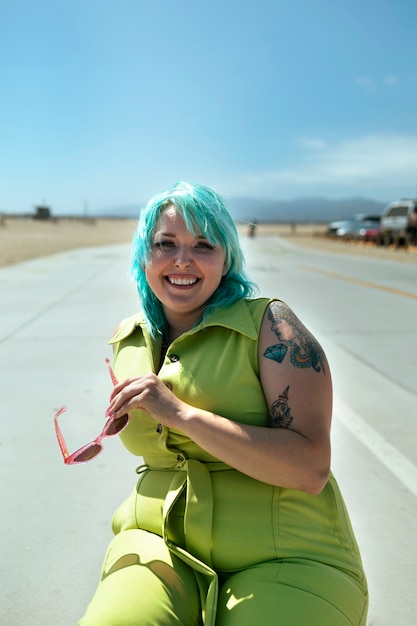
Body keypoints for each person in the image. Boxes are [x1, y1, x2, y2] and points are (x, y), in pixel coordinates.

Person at [79, 182, 368, 626]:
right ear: (144, 253)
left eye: (203, 245)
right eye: (165, 244)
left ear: (227, 257)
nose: (182, 260)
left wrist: (181, 415)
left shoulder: (273, 328)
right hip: (159, 546)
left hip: (288, 553)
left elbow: (310, 467)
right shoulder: (129, 337)